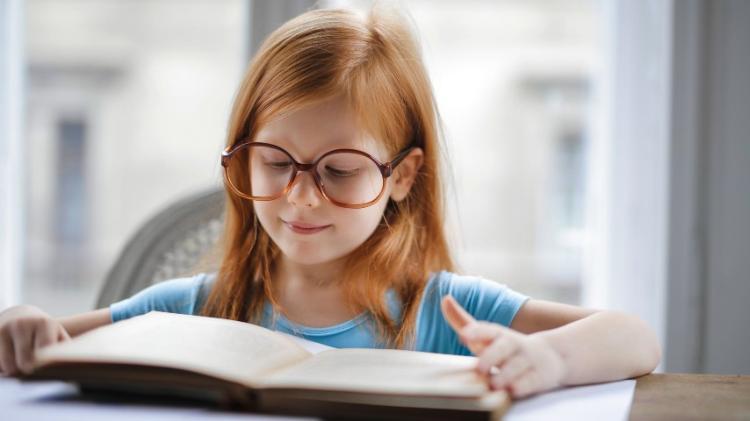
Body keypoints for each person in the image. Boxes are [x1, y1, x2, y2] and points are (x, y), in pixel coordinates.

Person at [0, 6, 660, 399]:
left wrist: (551, 358)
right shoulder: (192, 307)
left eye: (338, 171)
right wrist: (21, 322)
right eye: (277, 162)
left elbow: (634, 338)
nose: (300, 195)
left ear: (403, 175)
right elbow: (46, 346)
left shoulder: (443, 310)